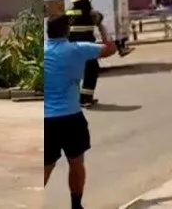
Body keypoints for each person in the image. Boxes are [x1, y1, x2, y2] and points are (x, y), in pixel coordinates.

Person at [44, 13, 117, 209]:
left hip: (46, 119)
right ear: (66, 31)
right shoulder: (77, 49)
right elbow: (111, 48)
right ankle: (76, 206)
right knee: (76, 163)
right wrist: (101, 25)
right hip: (70, 117)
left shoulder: (42, 51)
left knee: (46, 165)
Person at [66, 0, 113, 106]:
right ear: (87, 0)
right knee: (91, 71)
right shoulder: (93, 14)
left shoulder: (68, 14)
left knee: (73, 74)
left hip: (71, 48)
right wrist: (107, 41)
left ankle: (74, 99)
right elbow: (101, 23)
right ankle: (85, 98)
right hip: (87, 49)